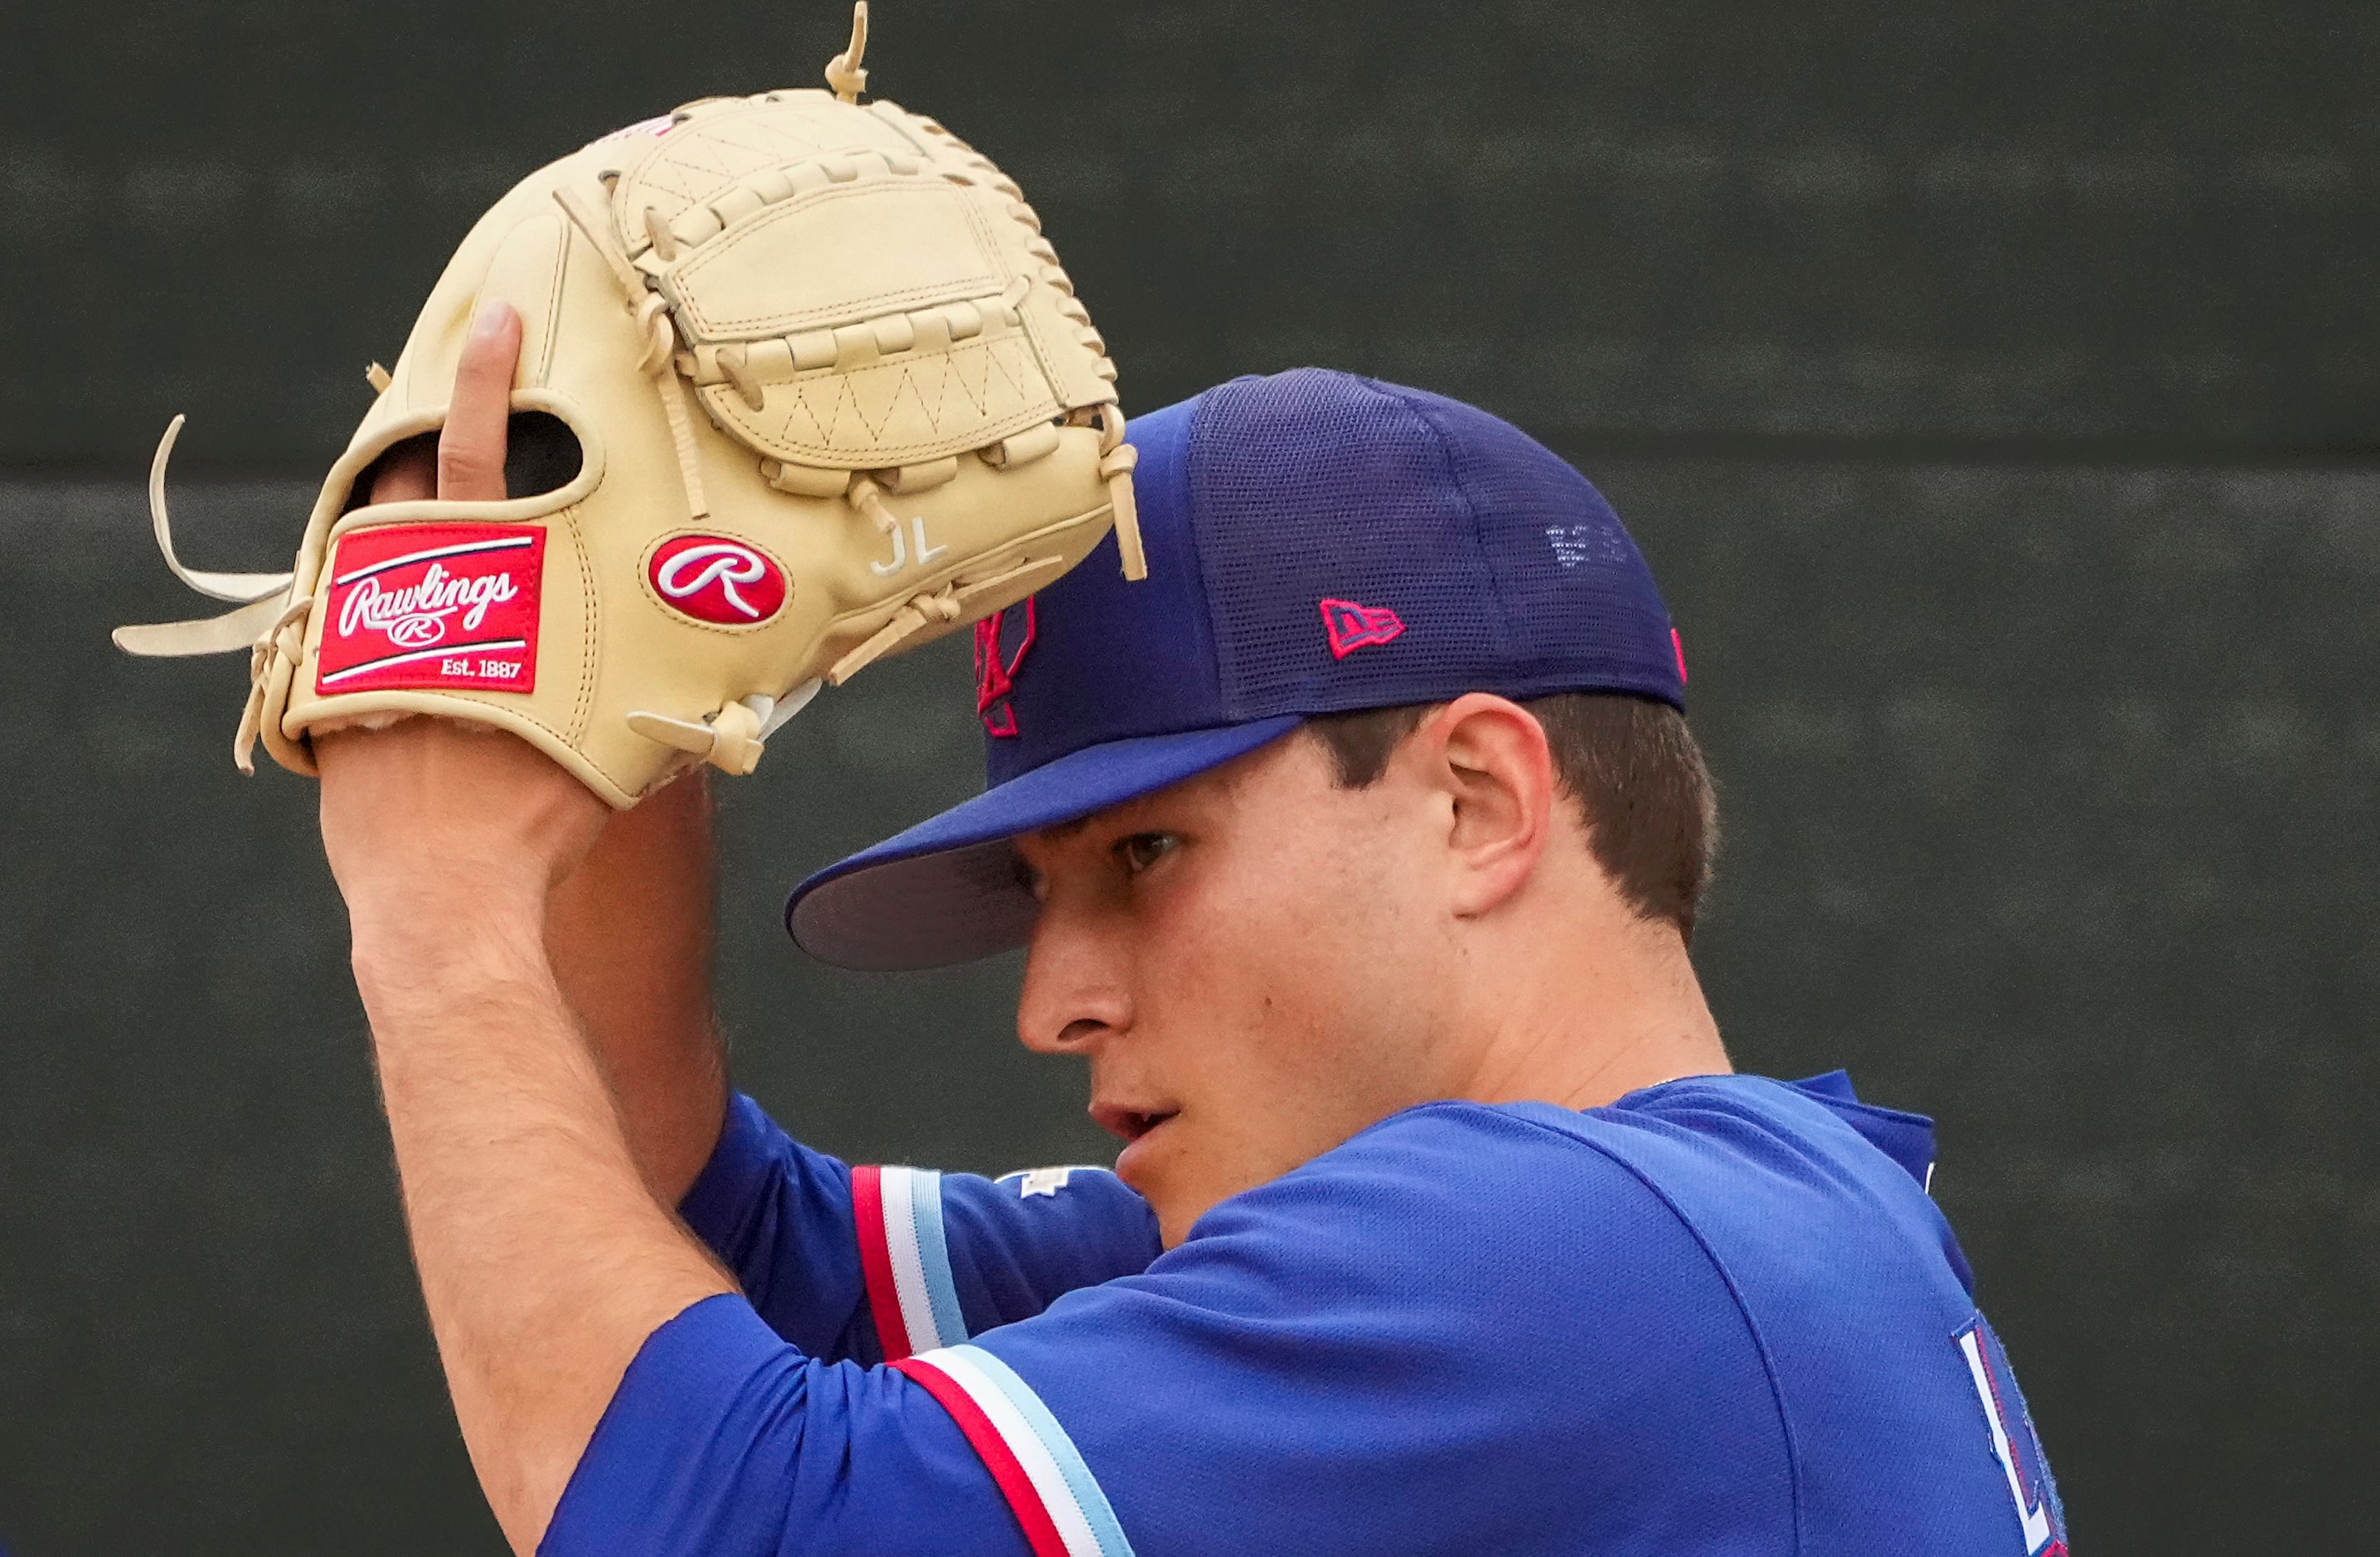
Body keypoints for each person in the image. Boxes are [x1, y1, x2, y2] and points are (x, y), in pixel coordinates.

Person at [319, 309, 2067, 1555]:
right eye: (1043, 883)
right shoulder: (1692, 1235)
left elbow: (731, 1518)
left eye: (1148, 851)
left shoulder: (1581, 1260)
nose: (1054, 1003)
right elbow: (697, 1229)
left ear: (1476, 800)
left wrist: (435, 910)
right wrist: (627, 708)